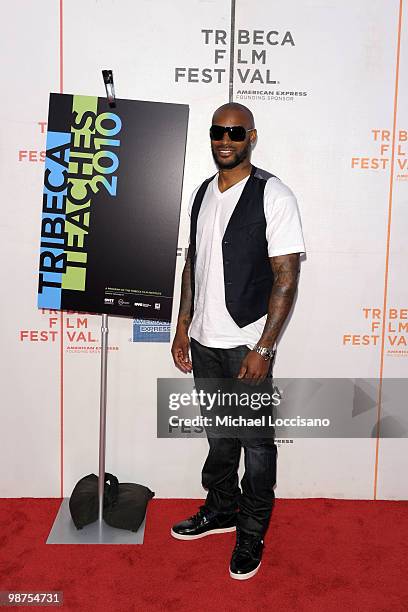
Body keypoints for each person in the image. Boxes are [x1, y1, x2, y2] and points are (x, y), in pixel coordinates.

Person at [170, 102, 305, 580]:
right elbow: (193, 265)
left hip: (246, 343)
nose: (224, 140)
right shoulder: (203, 193)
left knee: (256, 443)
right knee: (219, 436)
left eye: (235, 132)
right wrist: (183, 322)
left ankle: (251, 530)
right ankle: (222, 509)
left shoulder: (274, 195)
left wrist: (264, 347)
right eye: (217, 132)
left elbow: (286, 279)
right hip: (204, 341)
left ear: (251, 136)